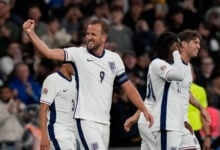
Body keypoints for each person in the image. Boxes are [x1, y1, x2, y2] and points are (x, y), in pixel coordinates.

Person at [23, 18, 153, 149]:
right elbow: (48, 53)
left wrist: (144, 109)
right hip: (85, 121)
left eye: (93, 34)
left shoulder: (114, 59)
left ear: (104, 37)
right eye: (87, 34)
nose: (89, 37)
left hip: (104, 122)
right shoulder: (77, 54)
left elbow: (128, 87)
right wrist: (31, 33)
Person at [124, 30, 210, 150]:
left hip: (176, 122)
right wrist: (136, 116)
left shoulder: (184, 67)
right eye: (195, 42)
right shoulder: (163, 65)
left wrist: (197, 110)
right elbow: (154, 97)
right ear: (181, 45)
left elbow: (183, 93)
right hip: (160, 123)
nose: (198, 46)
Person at [125, 31, 186, 150]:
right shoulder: (158, 64)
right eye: (177, 46)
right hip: (162, 123)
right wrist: (175, 53)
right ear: (170, 47)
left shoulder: (169, 67)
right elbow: (179, 75)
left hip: (160, 121)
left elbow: (151, 99)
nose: (179, 50)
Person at [39, 62, 77, 150]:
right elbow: (43, 109)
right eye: (75, 64)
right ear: (65, 63)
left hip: (71, 131)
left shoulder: (76, 81)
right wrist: (43, 136)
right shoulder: (53, 80)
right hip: (57, 131)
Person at [0, 84, 24, 150]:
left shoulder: (19, 104)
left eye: (7, 92)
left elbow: (25, 122)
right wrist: (8, 112)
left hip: (21, 143)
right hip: (5, 145)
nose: (4, 94)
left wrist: (19, 111)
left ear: (11, 93)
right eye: (2, 93)